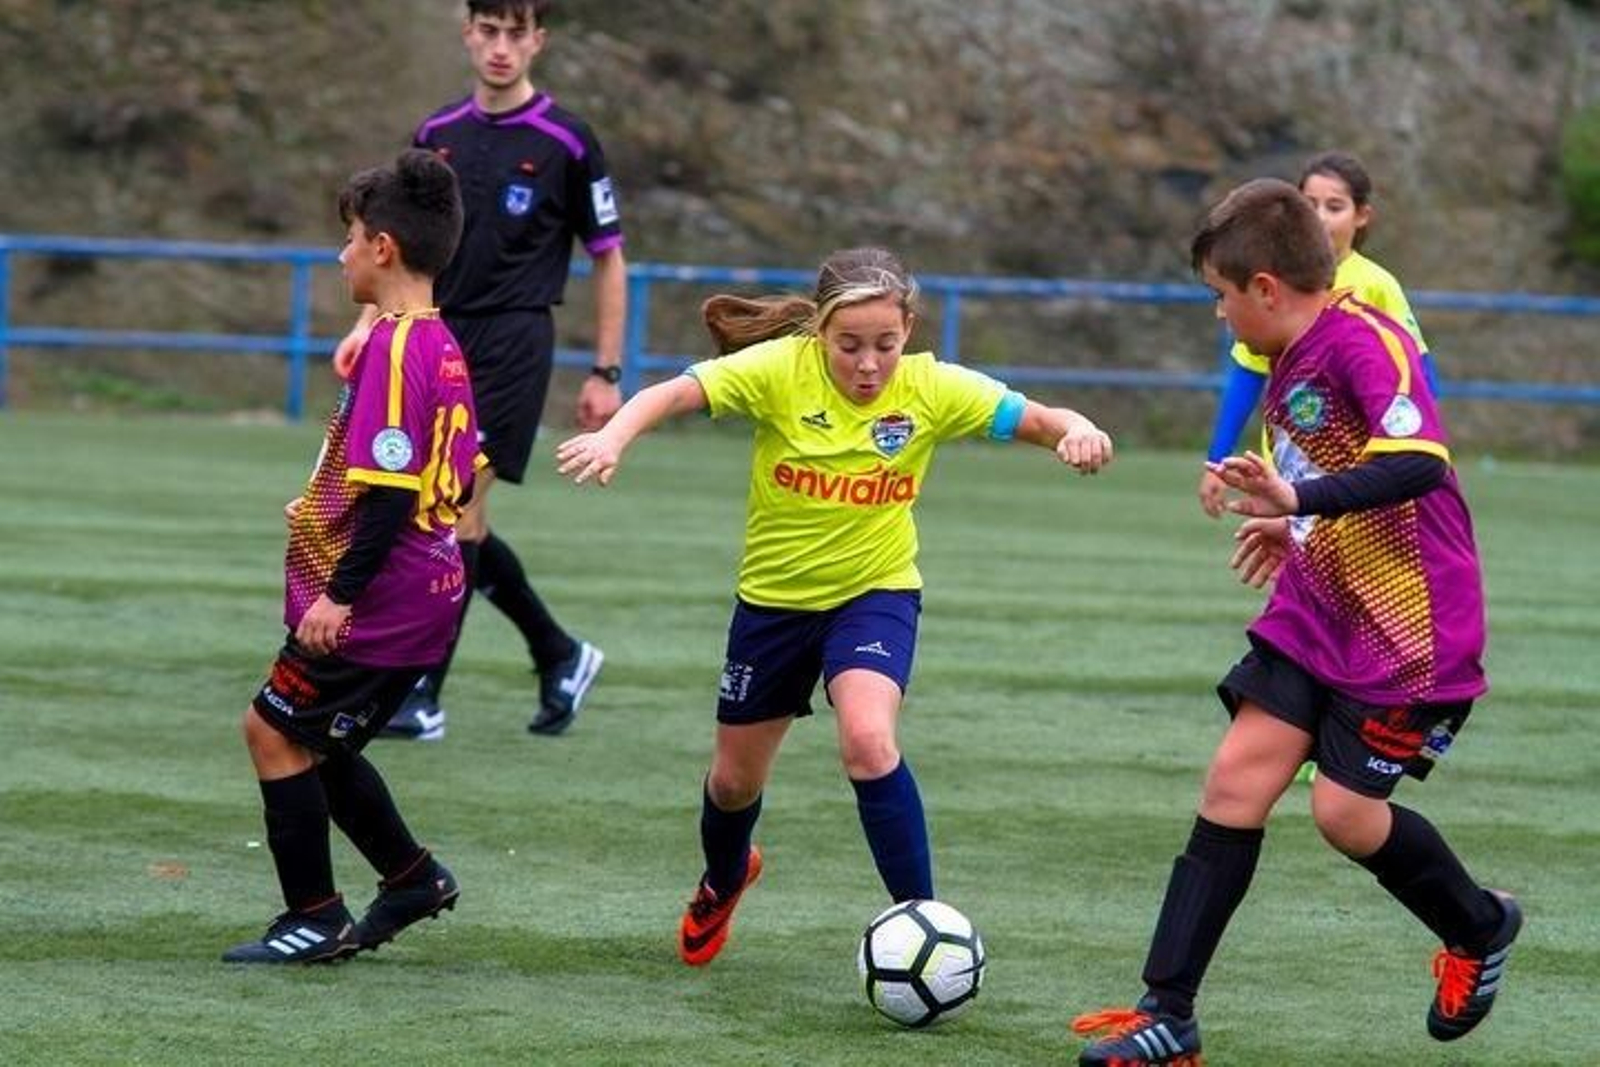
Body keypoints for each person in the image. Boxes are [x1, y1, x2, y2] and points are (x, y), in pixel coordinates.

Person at [555, 247, 1114, 966]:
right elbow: (673, 393)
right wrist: (613, 435)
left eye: (885, 343)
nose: (869, 364)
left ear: (908, 327)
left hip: (874, 593)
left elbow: (1042, 417)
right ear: (819, 333)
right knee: (732, 783)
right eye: (849, 345)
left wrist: (1078, 428)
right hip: (774, 605)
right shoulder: (778, 371)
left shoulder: (932, 387)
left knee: (869, 741)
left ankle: (927, 926)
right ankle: (725, 876)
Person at [1071, 180, 1518, 1065]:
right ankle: (1168, 1014)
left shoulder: (1364, 340)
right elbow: (1339, 473)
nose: (1219, 314)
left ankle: (1481, 925)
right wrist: (1296, 521)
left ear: (1266, 287)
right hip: (1318, 607)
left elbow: (1419, 461)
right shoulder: (1289, 356)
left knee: (1346, 816)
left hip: (1411, 632)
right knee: (1233, 785)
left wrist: (1301, 495)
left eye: (1220, 296)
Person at [335, 0, 626, 741]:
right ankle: (559, 652)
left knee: (452, 506)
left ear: (538, 41)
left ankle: (421, 692)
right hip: (435, 339)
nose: (501, 47)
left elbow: (608, 258)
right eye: (488, 31)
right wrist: (366, 323)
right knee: (459, 517)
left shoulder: (568, 139)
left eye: (515, 33)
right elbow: (391, 240)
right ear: (468, 34)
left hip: (513, 346)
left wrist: (606, 369)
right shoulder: (437, 135)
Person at [223, 150, 480, 963]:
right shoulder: (438, 340)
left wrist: (339, 593)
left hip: (383, 597)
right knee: (319, 739)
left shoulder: (398, 350)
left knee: (271, 730)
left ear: (383, 248)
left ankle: (315, 915)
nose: (340, 254)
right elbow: (461, 467)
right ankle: (411, 877)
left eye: (350, 237)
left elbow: (393, 493)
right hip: (428, 586)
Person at [1197, 151, 1440, 518]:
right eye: (1311, 206)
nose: (1322, 218)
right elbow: (1246, 377)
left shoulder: (1368, 312)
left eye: (1335, 206)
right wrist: (1218, 459)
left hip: (1370, 519)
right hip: (1306, 503)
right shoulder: (1279, 343)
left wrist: (1305, 499)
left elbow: (1418, 443)